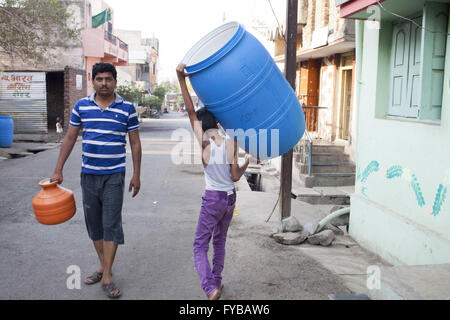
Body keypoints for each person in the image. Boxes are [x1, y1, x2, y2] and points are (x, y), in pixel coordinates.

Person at [50, 62, 142, 299]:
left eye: (108, 79)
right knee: (94, 225)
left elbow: (134, 143)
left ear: (115, 81)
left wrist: (136, 174)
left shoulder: (127, 108)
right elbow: (70, 138)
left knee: (111, 224)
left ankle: (108, 274)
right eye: (99, 79)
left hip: (114, 175)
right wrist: (58, 169)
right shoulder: (82, 106)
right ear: (93, 81)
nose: (103, 83)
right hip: (88, 175)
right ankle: (103, 265)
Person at [176, 63, 250, 300]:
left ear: (201, 125)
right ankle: (217, 282)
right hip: (230, 198)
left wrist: (181, 79)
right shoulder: (231, 142)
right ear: (217, 123)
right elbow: (236, 176)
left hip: (213, 199)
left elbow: (189, 110)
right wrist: (247, 162)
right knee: (219, 242)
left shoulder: (205, 143)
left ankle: (210, 288)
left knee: (199, 246)